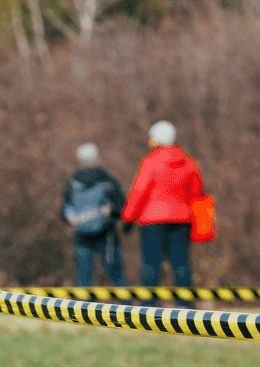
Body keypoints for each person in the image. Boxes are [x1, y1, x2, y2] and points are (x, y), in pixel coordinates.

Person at [121, 120, 205, 306]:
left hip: (152, 220)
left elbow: (138, 192)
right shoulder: (189, 162)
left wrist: (127, 218)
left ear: (156, 140)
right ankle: (185, 305)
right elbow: (197, 192)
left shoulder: (150, 162)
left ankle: (148, 306)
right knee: (181, 264)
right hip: (182, 219)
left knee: (151, 264)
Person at [60, 143, 127, 289]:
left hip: (81, 236)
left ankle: (80, 311)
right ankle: (128, 308)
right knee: (117, 277)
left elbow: (64, 212)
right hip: (107, 235)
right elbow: (121, 207)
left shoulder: (72, 182)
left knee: (83, 279)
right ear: (97, 159)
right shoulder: (107, 180)